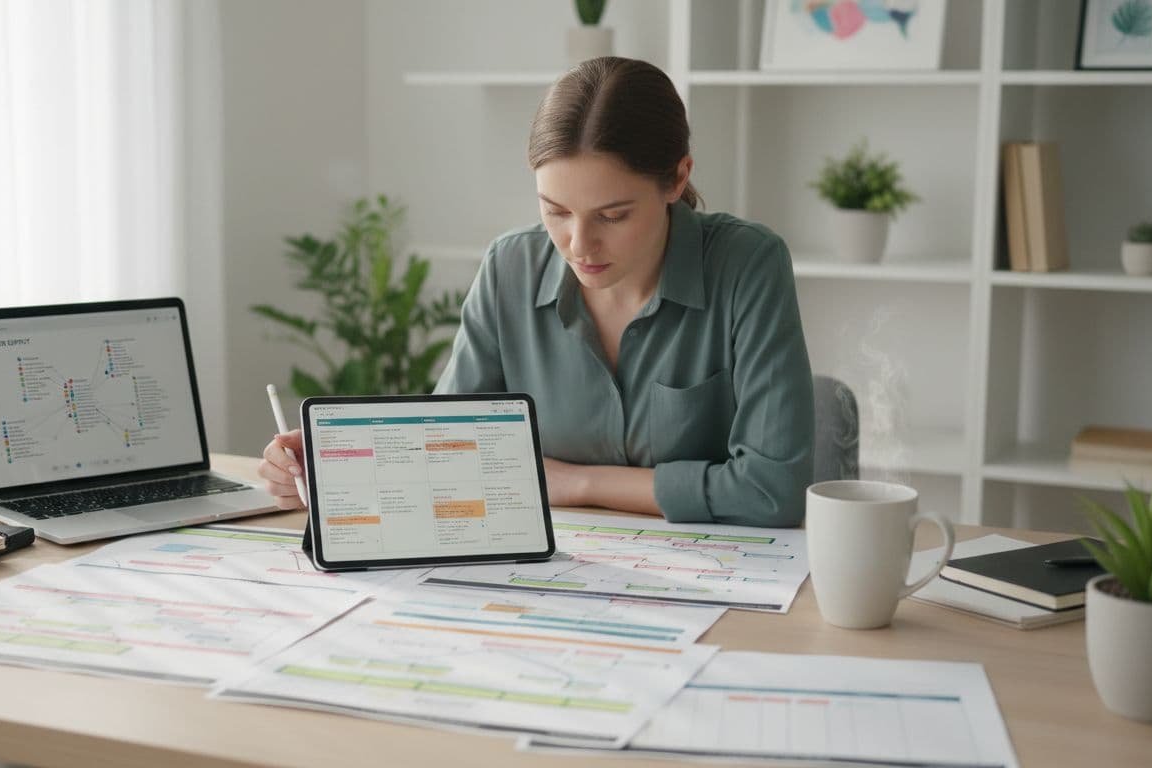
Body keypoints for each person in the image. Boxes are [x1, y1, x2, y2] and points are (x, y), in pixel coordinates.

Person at [259, 56, 813, 527]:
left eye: (613, 215)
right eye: (555, 211)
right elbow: (448, 451)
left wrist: (576, 483)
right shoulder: (511, 266)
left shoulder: (748, 266)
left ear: (675, 179)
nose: (579, 244)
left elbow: (772, 491)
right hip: (547, 571)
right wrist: (332, 469)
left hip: (722, 582)